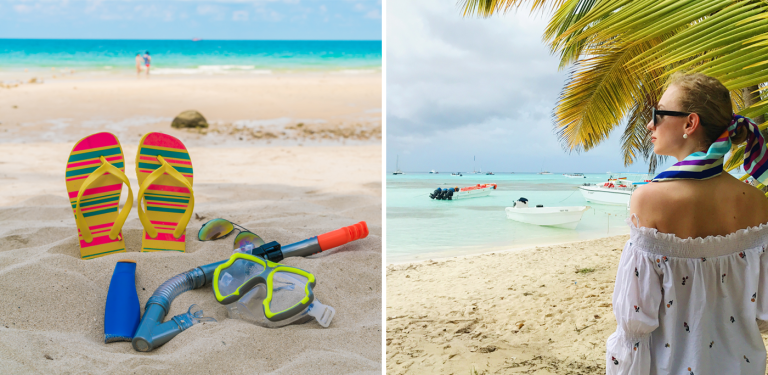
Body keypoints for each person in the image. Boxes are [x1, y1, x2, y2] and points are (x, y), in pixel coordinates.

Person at [606, 72, 768, 374]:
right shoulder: (757, 201)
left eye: (658, 114)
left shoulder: (648, 200)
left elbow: (635, 320)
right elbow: (762, 313)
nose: (650, 125)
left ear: (689, 123)